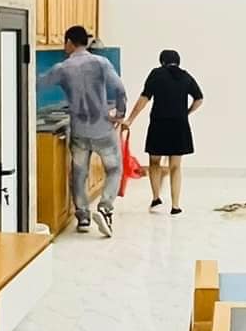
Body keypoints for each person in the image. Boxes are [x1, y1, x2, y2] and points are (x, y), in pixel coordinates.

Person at [36, 25, 128, 237]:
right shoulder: (101, 63)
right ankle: (105, 208)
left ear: (69, 42)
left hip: (79, 131)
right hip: (103, 128)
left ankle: (83, 217)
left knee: (79, 174)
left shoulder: (63, 68)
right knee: (114, 169)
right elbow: (120, 89)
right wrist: (120, 114)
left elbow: (38, 85)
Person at [127, 49, 204, 214]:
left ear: (162, 62)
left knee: (154, 162)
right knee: (175, 166)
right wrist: (187, 112)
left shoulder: (156, 74)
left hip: (159, 124)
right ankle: (175, 206)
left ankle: (156, 198)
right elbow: (199, 98)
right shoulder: (186, 77)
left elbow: (144, 98)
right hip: (179, 125)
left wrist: (130, 119)